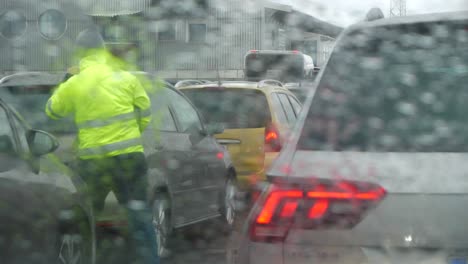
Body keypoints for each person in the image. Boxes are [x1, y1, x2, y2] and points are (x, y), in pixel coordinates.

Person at [45, 28, 159, 264]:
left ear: (81, 53)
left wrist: (65, 81)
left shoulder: (76, 82)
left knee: (85, 219)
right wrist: (130, 135)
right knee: (139, 217)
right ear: (102, 50)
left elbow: (52, 110)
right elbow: (145, 110)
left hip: (94, 164)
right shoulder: (126, 77)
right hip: (129, 159)